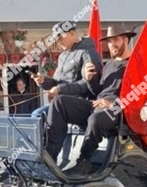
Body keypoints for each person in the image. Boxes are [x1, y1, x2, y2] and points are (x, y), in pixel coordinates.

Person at [43, 24, 137, 176]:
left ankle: (84, 160)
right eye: (109, 41)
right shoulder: (108, 66)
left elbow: (140, 93)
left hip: (118, 109)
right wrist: (89, 79)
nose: (112, 44)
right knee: (59, 102)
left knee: (96, 118)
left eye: (116, 40)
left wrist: (113, 103)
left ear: (126, 40)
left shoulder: (135, 65)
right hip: (99, 104)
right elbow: (97, 91)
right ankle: (49, 156)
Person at [31, 21, 103, 118]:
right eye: (56, 39)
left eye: (60, 38)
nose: (58, 42)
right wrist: (43, 81)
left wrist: (60, 89)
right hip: (60, 103)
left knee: (38, 115)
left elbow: (89, 84)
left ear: (72, 33)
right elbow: (57, 82)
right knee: (38, 116)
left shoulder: (88, 53)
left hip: (80, 104)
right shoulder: (62, 56)